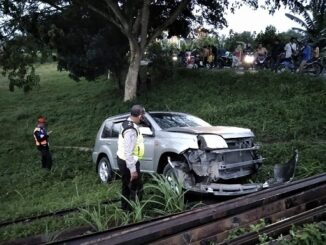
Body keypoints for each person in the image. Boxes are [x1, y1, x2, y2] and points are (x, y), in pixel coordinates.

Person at [117, 105, 145, 211]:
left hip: (123, 160)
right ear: (139, 116)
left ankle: (125, 210)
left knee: (126, 186)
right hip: (129, 162)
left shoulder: (127, 122)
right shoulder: (131, 131)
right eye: (143, 115)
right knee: (137, 187)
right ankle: (135, 211)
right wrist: (133, 170)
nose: (144, 117)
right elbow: (128, 152)